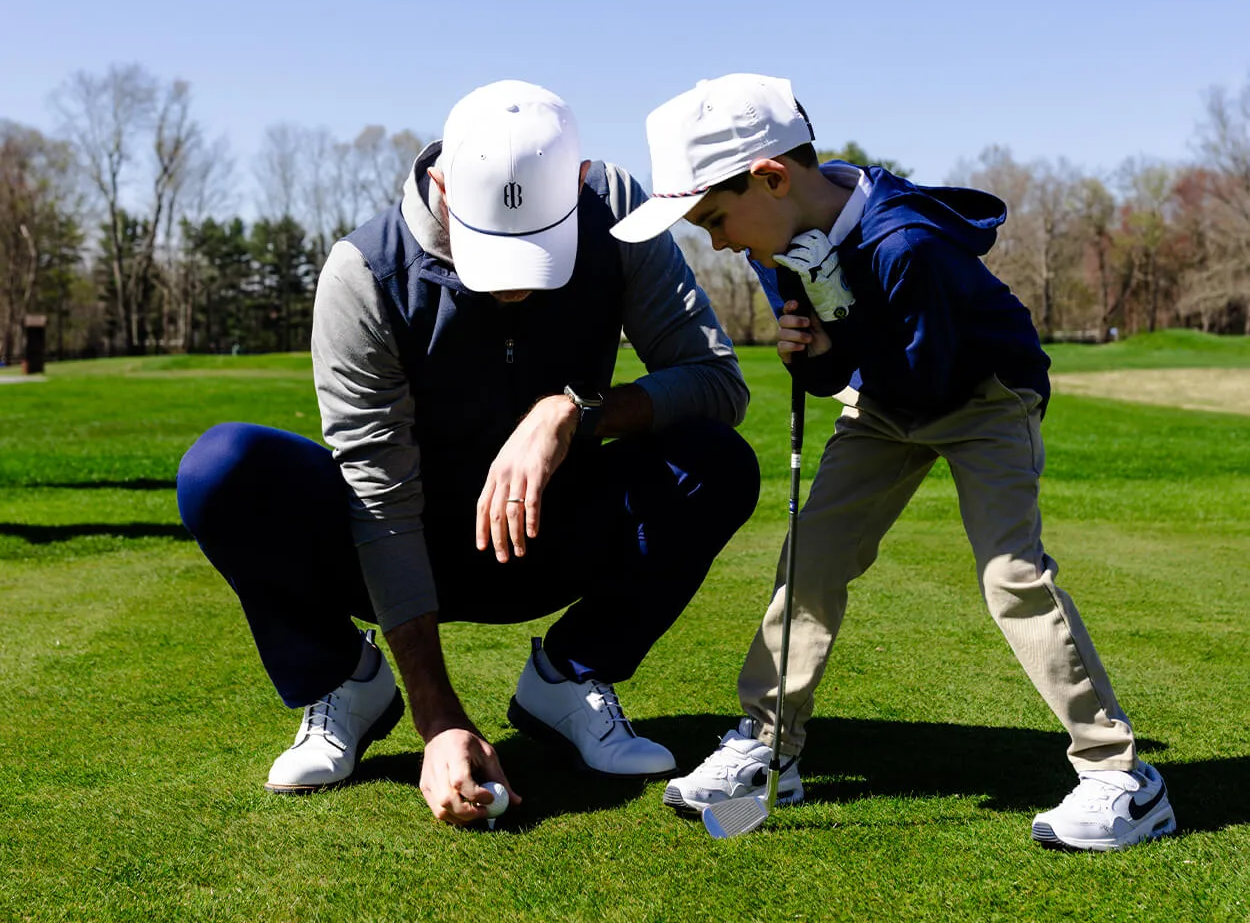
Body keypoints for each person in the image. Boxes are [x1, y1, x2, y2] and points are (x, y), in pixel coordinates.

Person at [610, 73, 1175, 852]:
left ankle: (1122, 778)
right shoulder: (777, 241)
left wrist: (838, 321)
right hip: (883, 400)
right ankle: (771, 747)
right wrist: (812, 347)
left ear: (770, 177)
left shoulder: (908, 242)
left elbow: (931, 380)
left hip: (983, 398)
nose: (718, 241)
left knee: (1011, 575)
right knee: (811, 556)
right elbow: (824, 370)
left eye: (714, 217)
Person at [176, 80, 760, 827]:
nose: (516, 280)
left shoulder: (616, 214)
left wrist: (573, 413)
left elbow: (716, 381)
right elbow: (380, 500)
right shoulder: (365, 271)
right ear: (443, 183)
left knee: (714, 461)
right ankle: (347, 682)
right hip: (399, 545)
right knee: (222, 469)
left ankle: (569, 678)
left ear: (578, 184)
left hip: (550, 531)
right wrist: (438, 719)